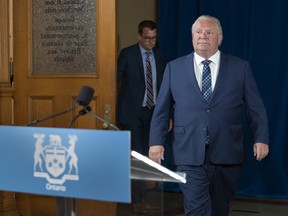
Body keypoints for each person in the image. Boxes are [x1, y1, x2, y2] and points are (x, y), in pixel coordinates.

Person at [148, 15, 269, 216]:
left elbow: (256, 108)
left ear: (219, 38)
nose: (203, 36)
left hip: (227, 151)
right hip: (188, 152)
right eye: (198, 32)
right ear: (192, 36)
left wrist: (261, 138)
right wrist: (156, 142)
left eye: (209, 32)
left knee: (219, 209)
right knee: (197, 209)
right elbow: (161, 110)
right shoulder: (174, 68)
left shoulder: (240, 68)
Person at [116, 20, 166, 215]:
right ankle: (138, 201)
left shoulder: (161, 56)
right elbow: (116, 82)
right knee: (137, 156)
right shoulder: (127, 54)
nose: (150, 42)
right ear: (139, 37)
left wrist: (167, 115)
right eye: (147, 38)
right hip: (131, 114)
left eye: (154, 39)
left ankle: (143, 198)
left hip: (153, 115)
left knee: (149, 156)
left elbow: (165, 88)